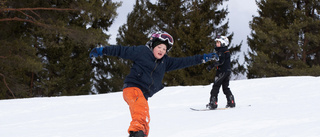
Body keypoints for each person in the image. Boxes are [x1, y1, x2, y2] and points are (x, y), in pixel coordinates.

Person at [89, 31, 218, 137]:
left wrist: (204, 57)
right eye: (159, 47)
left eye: (164, 49)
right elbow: (121, 50)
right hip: (133, 88)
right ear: (152, 45)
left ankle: (142, 134)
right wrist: (103, 50)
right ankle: (136, 134)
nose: (161, 51)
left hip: (143, 94)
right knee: (140, 113)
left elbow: (185, 61)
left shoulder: (165, 62)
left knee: (145, 119)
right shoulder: (141, 52)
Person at [206, 35, 236, 110]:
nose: (216, 44)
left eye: (218, 42)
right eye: (216, 42)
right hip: (228, 71)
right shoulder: (226, 51)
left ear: (223, 43)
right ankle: (231, 102)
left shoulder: (221, 51)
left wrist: (212, 66)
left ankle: (213, 103)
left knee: (216, 87)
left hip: (221, 72)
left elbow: (221, 61)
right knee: (225, 87)